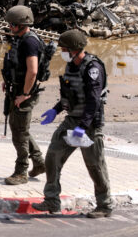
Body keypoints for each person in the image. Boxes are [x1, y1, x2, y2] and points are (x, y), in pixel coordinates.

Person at [32, 29, 113, 218]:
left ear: (76, 49)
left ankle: (104, 205)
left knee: (95, 165)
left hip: (90, 124)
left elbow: (93, 101)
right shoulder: (71, 66)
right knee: (53, 156)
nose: (63, 52)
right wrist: (56, 109)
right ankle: (51, 200)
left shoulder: (92, 68)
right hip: (71, 120)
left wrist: (82, 127)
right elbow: (71, 94)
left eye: (65, 49)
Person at [1, 5, 46, 185]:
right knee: (20, 129)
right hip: (18, 88)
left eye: (12, 24)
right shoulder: (21, 39)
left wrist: (25, 94)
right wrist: (9, 80)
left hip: (25, 92)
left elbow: (33, 71)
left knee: (19, 133)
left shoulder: (29, 42)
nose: (10, 27)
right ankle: (40, 162)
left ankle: (21, 172)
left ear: (22, 24)